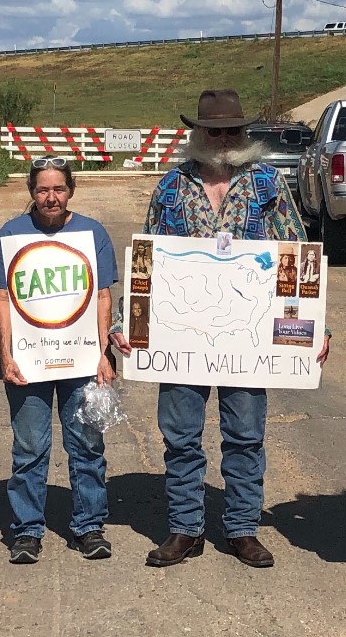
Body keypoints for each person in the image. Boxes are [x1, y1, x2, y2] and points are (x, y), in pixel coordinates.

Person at [109, 89, 327, 569]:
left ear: (244, 133)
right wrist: (128, 322)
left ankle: (242, 528)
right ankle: (186, 528)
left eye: (233, 130)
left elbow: (294, 252)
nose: (225, 138)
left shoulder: (267, 183)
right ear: (199, 133)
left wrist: (312, 325)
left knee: (246, 434)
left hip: (246, 339)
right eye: (215, 130)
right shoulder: (172, 186)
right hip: (180, 336)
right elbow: (148, 257)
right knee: (181, 434)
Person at [0, 157, 120, 563]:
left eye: (58, 189)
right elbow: (4, 297)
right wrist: (6, 353)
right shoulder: (10, 234)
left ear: (70, 190)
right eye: (43, 189)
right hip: (29, 360)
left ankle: (89, 525)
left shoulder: (92, 233)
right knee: (29, 447)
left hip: (81, 358)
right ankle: (27, 530)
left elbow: (101, 296)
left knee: (87, 445)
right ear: (31, 192)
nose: (51, 197)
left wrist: (103, 354)